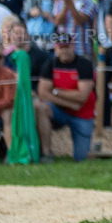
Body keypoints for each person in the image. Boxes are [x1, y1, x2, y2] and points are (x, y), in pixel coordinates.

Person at [36, 31, 96, 162]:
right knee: (40, 107)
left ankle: (94, 148)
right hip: (61, 111)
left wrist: (57, 91)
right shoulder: (51, 64)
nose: (64, 51)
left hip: (82, 115)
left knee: (82, 158)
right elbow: (42, 93)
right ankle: (46, 153)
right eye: (61, 47)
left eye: (67, 47)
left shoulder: (84, 64)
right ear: (56, 48)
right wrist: (70, 104)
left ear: (73, 46)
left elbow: (82, 97)